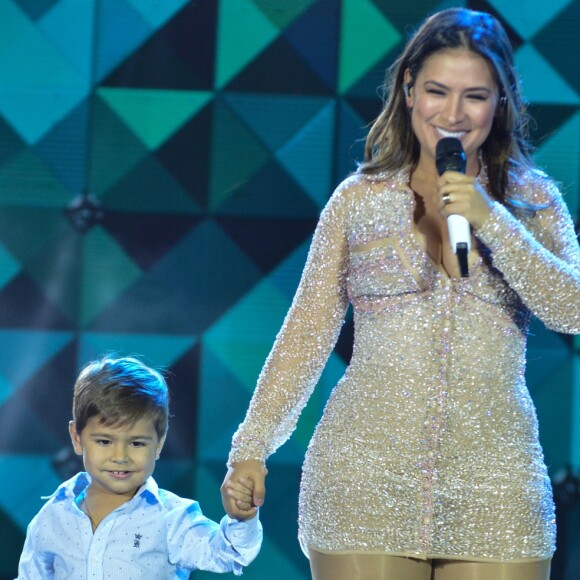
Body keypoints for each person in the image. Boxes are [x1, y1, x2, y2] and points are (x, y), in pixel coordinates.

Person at [221, 7, 580, 580]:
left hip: (498, 481)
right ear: (409, 88)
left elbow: (572, 309)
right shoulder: (357, 200)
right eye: (438, 91)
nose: (454, 114)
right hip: (363, 475)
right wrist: (252, 445)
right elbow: (307, 332)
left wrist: (491, 219)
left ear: (502, 101)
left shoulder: (532, 200)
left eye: (476, 96)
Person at [17, 356, 262, 578]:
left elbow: (228, 553)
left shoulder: (172, 518)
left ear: (159, 443)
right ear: (77, 438)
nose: (120, 456)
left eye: (136, 443)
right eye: (104, 441)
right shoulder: (52, 517)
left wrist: (241, 519)